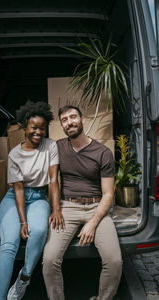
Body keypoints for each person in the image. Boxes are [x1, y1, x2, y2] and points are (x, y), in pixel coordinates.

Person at [42, 105, 122, 300]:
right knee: (50, 259)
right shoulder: (57, 147)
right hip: (67, 207)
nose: (69, 122)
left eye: (73, 117)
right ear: (61, 125)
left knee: (114, 261)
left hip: (97, 207)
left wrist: (92, 224)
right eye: (64, 119)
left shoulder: (103, 152)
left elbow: (109, 194)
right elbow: (50, 179)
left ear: (82, 119)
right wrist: (56, 209)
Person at [0, 101, 64, 300]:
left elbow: (53, 180)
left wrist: (56, 209)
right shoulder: (14, 154)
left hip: (39, 197)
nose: (38, 132)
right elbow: (17, 190)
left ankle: (24, 278)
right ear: (25, 127)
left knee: (39, 230)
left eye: (42, 128)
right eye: (34, 127)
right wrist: (23, 221)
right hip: (16, 198)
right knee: (9, 245)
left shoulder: (50, 145)